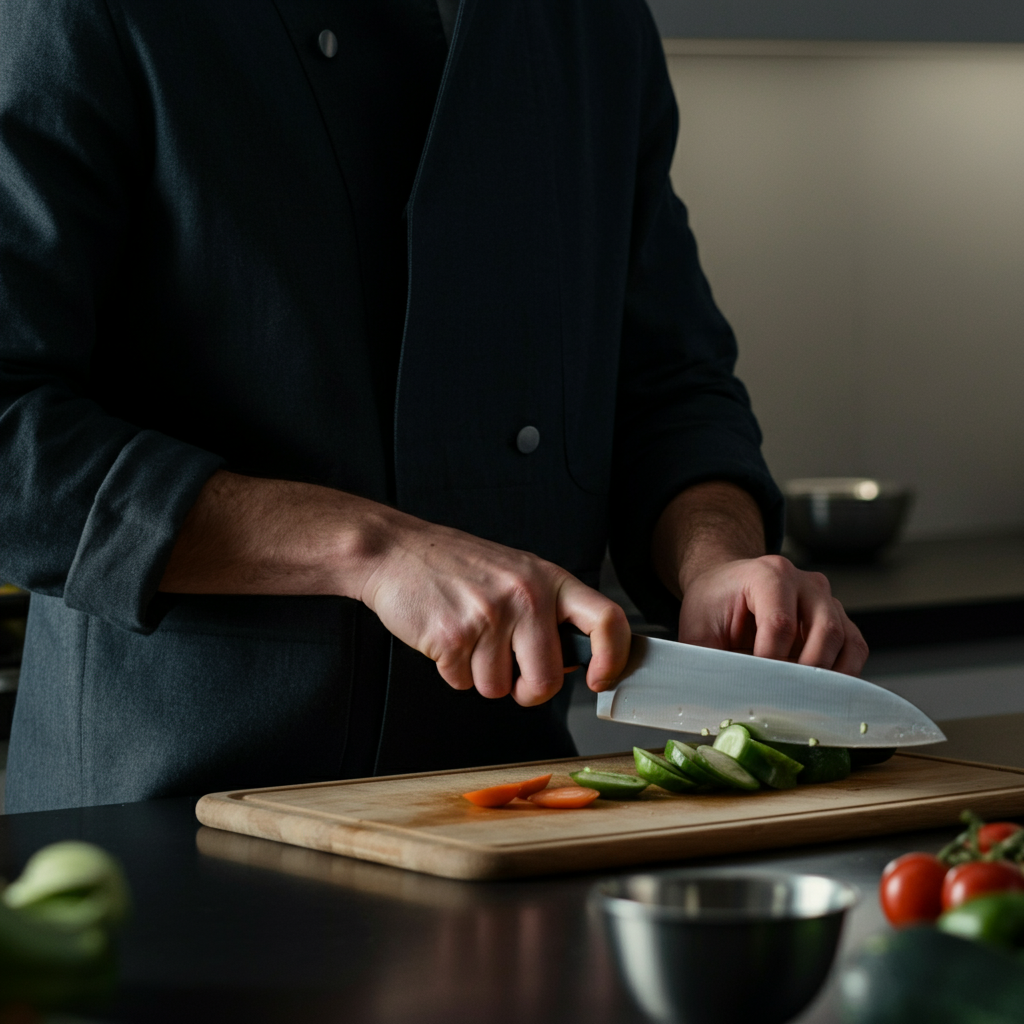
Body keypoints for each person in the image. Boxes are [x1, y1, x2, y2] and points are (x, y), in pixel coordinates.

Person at [0, 0, 867, 814]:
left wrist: (715, 561)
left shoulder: (590, 23)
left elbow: (670, 384)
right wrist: (370, 551)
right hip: (160, 817)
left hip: (507, 805)